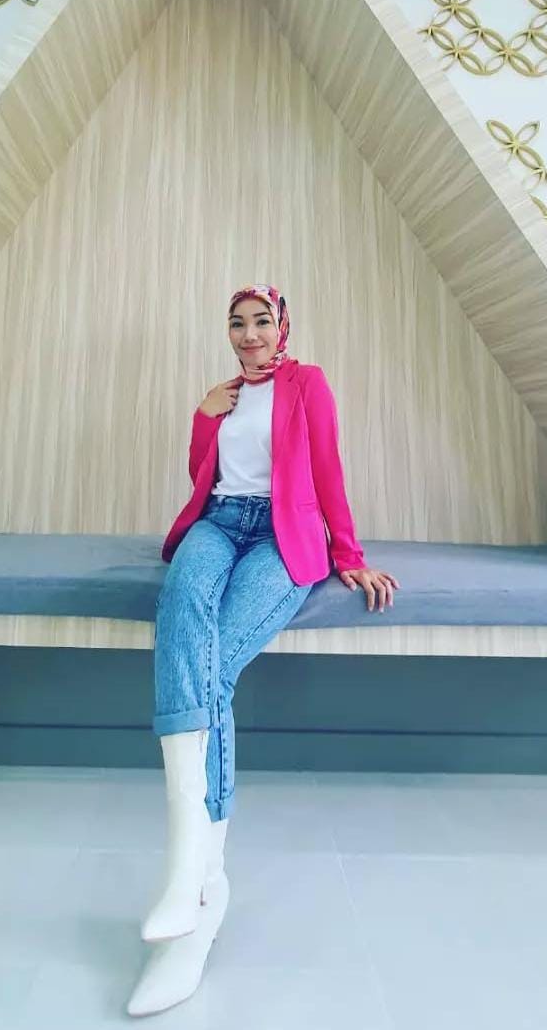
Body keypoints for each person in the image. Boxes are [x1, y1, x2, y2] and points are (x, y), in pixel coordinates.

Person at [127, 284, 400, 1016]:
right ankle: (195, 868)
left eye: (261, 322)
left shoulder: (307, 383)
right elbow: (202, 475)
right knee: (183, 609)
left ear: (283, 326)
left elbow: (328, 467)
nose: (249, 334)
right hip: (219, 524)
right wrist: (203, 415)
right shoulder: (224, 395)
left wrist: (350, 554)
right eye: (237, 323)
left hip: (282, 534)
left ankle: (197, 880)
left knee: (210, 665)